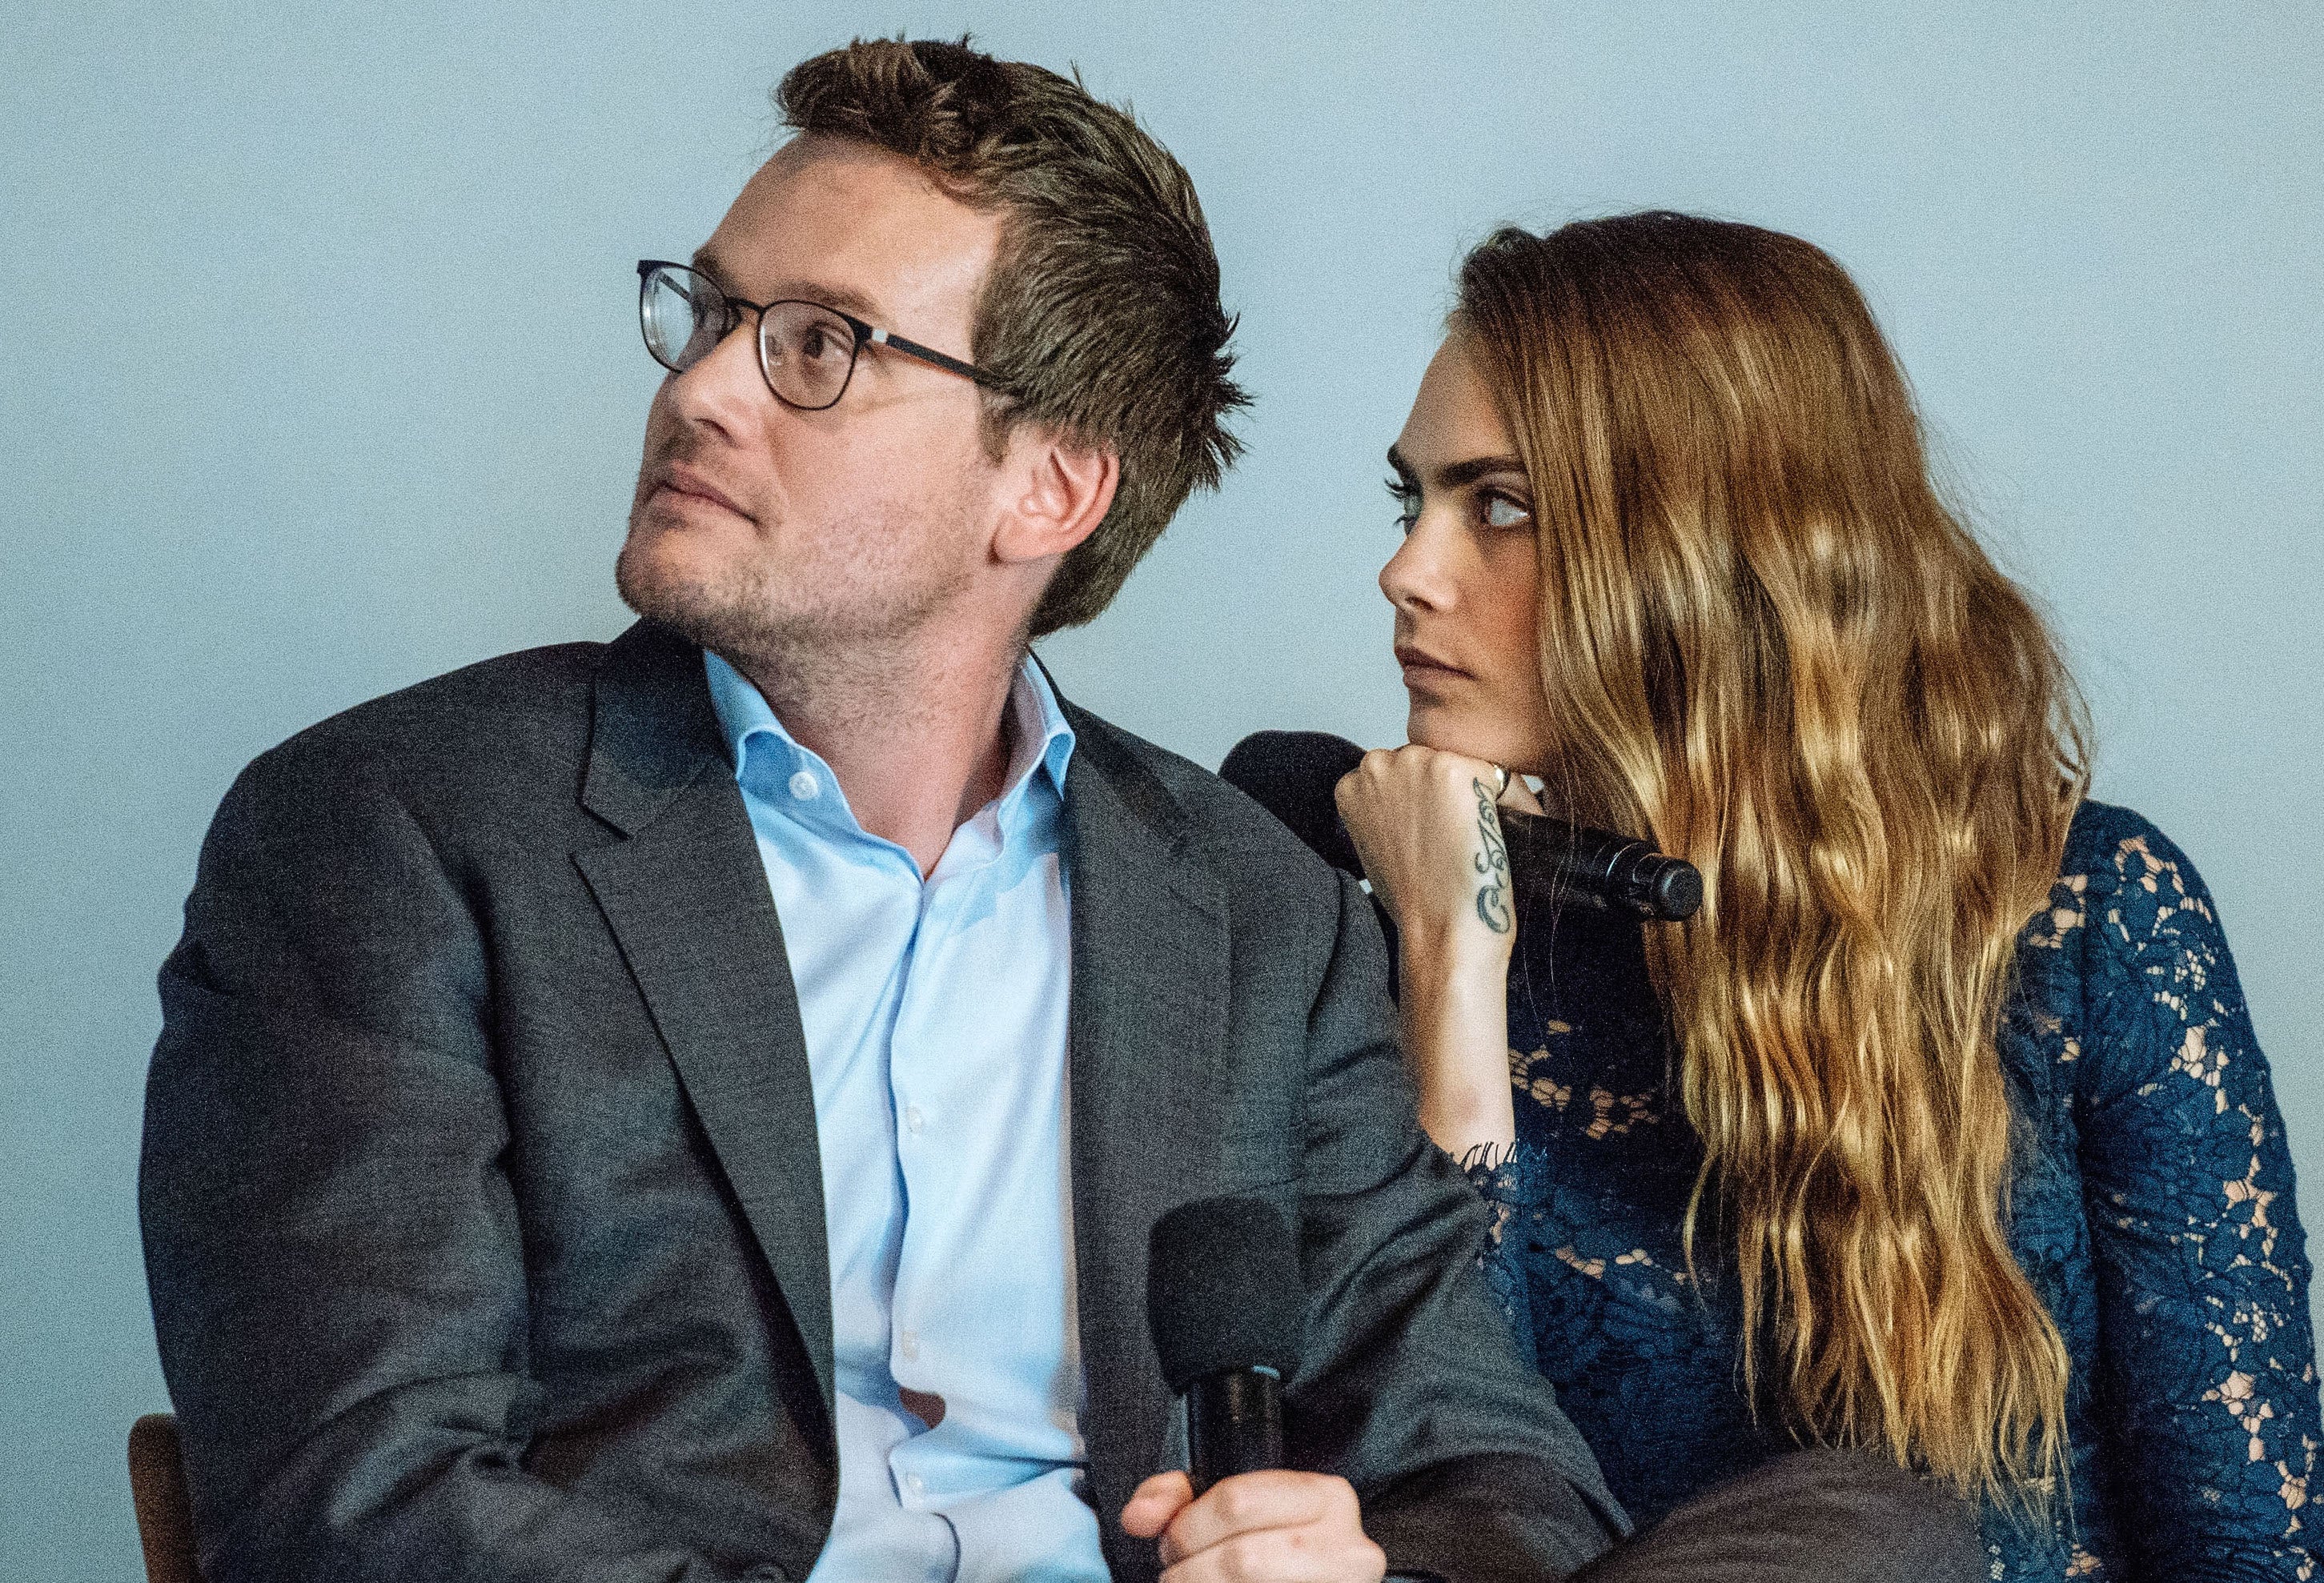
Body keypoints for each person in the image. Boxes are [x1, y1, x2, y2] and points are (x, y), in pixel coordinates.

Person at [137, 39, 1631, 1583]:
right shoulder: (388, 838)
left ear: (1050, 486)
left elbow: (1501, 1487)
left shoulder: (1259, 913)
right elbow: (357, 1497)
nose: (702, 388)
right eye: (711, 316)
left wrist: (1367, 1572)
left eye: (821, 345)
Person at [1332, 211, 2322, 1580]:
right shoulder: (1394, 928)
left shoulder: (2090, 919)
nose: (1409, 570)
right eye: (1415, 499)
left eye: (1498, 504)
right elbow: (1456, 1507)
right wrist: (1452, 967)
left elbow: (2248, 1538)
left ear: (1707, 549)